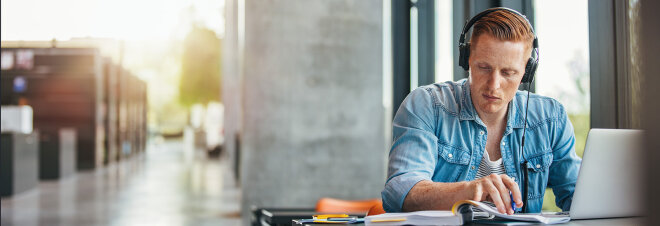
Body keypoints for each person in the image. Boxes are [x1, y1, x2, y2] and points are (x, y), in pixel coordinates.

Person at [381, 8, 581, 215]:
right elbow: (400, 193)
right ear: (467, 59)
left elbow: (579, 196)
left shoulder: (550, 118)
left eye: (508, 73)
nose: (494, 85)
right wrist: (468, 190)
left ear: (526, 72)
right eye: (484, 67)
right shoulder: (427, 105)